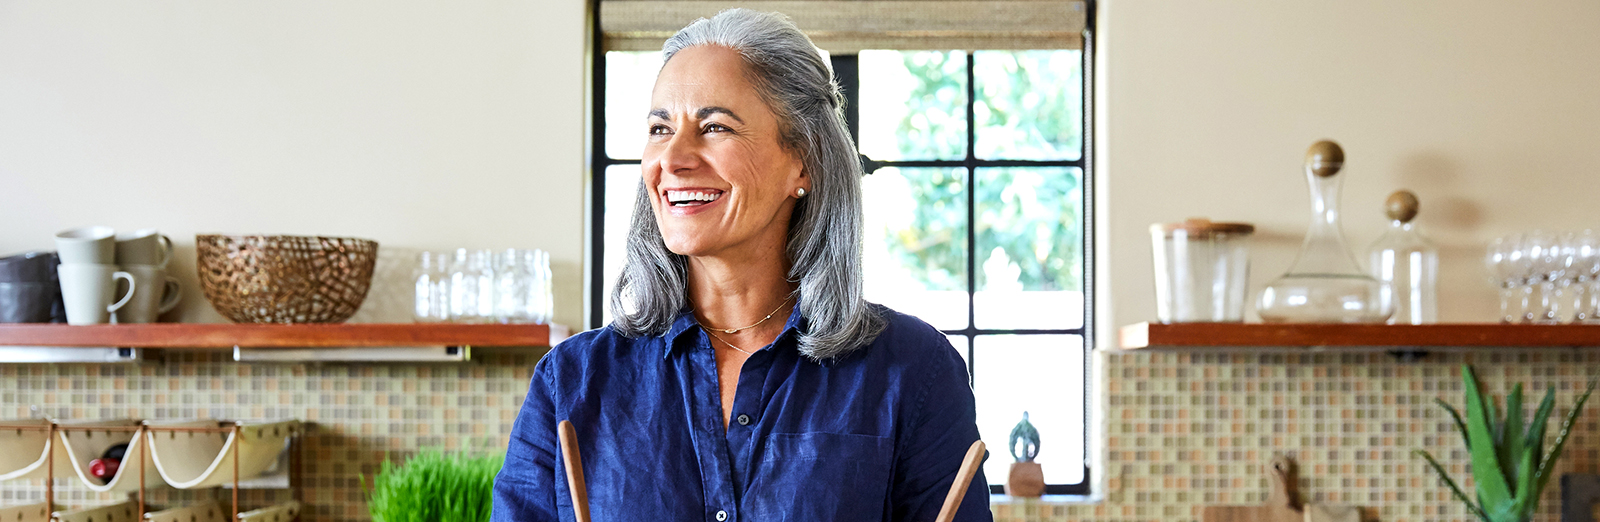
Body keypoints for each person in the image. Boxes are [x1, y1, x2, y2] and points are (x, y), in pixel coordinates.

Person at [492, 8, 991, 521]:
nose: (674, 158)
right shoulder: (570, 383)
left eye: (714, 127)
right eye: (660, 129)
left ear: (804, 161)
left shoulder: (913, 371)